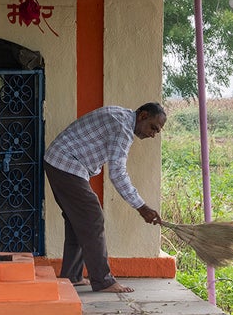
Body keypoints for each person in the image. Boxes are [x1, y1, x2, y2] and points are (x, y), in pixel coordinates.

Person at [42, 102, 165, 293]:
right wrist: (141, 207)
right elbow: (117, 173)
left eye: (157, 131)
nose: (153, 134)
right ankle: (103, 281)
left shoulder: (120, 115)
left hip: (60, 162)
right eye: (153, 128)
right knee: (92, 217)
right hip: (65, 164)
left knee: (78, 222)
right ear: (143, 116)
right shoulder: (123, 129)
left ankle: (72, 276)